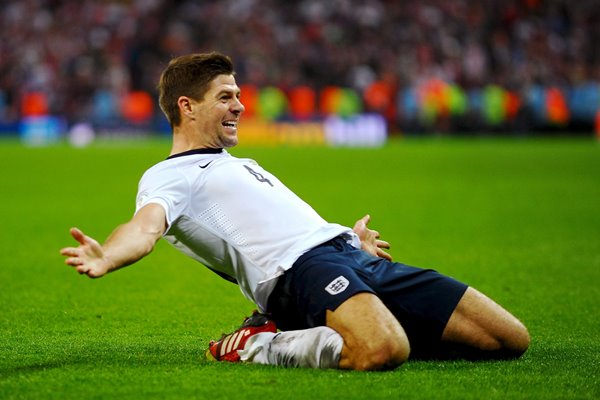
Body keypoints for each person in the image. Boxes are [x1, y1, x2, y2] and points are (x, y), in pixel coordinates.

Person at [60, 52, 529, 371]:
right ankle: (259, 344)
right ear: (187, 106)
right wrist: (108, 256)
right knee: (383, 348)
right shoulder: (168, 176)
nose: (240, 106)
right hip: (297, 274)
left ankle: (354, 317)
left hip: (350, 257)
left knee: (507, 339)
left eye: (238, 95)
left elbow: (286, 221)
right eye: (226, 96)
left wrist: (350, 237)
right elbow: (144, 229)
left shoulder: (236, 163)